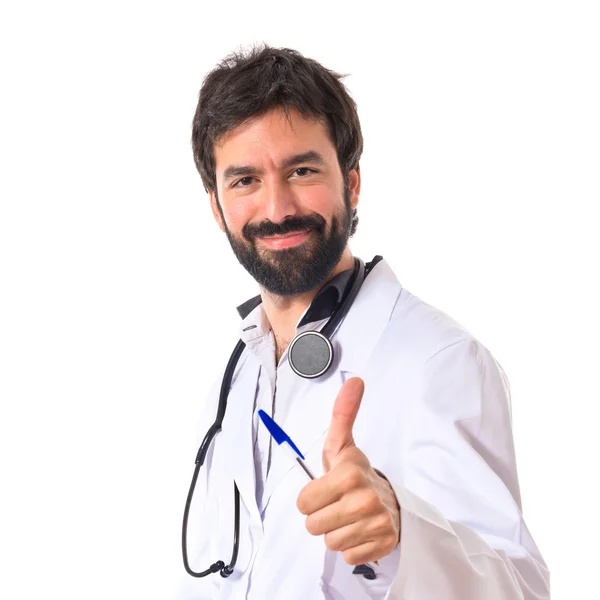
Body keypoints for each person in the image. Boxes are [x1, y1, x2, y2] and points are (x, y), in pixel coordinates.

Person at [176, 44, 549, 600]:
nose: (276, 208)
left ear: (351, 184)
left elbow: (520, 590)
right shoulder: (234, 381)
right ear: (216, 205)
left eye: (302, 170)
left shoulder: (437, 361)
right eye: (245, 180)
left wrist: (404, 534)